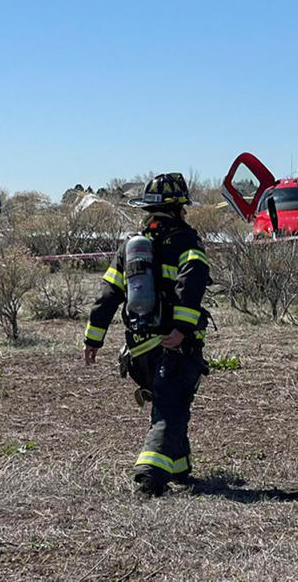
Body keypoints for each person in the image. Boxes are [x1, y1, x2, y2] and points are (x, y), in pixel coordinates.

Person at [82, 173, 211, 496]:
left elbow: (108, 293)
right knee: (171, 406)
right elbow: (191, 284)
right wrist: (182, 329)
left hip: (139, 350)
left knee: (171, 401)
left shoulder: (131, 246)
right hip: (173, 345)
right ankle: (150, 473)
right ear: (181, 207)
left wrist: (93, 337)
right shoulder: (186, 242)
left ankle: (180, 468)